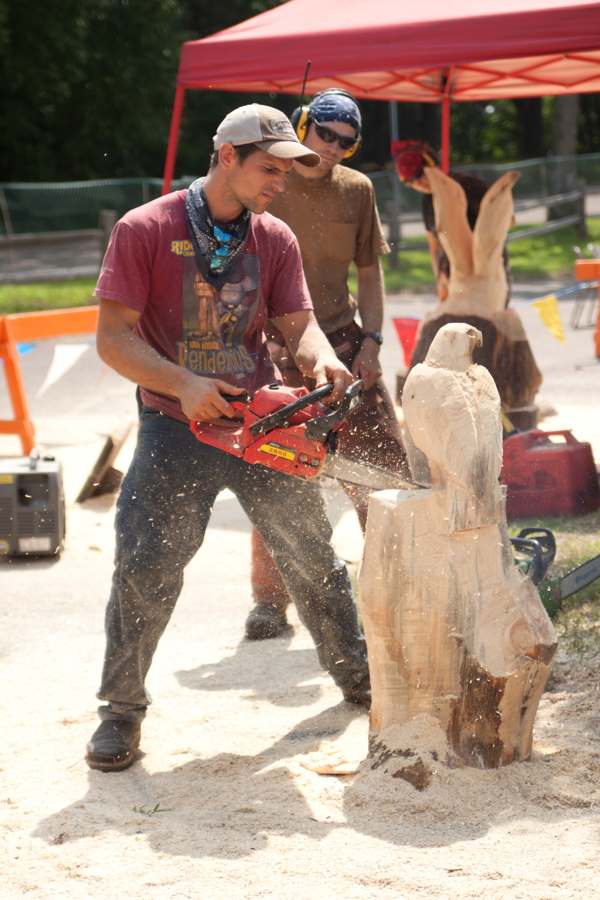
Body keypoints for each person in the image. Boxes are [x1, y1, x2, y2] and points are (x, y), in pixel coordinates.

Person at [85, 104, 372, 773]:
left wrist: (322, 357)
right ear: (226, 157)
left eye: (287, 171)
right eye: (268, 169)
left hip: (260, 423)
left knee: (312, 557)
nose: (280, 182)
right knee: (147, 566)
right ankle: (120, 711)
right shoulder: (144, 229)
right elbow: (113, 338)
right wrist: (182, 384)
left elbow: (298, 324)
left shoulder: (274, 238)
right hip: (173, 421)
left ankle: (359, 681)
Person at [245, 90, 410, 641]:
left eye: (347, 140)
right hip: (273, 346)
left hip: (341, 341)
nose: (335, 148)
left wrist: (372, 341)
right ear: (303, 125)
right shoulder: (271, 179)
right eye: (326, 135)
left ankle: (402, 587)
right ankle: (270, 601)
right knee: (274, 474)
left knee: (385, 468)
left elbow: (369, 274)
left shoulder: (357, 190)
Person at [391, 140, 511, 303]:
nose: (417, 184)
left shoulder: (468, 186)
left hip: (488, 273)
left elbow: (505, 220)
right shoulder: (427, 203)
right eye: (409, 182)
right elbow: (435, 249)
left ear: (430, 164)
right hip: (452, 276)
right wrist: (439, 279)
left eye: (419, 175)